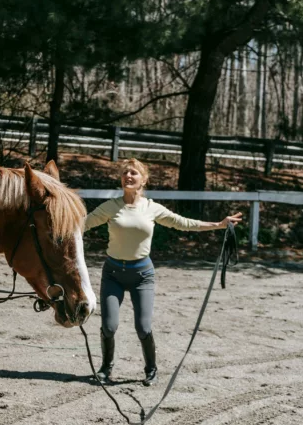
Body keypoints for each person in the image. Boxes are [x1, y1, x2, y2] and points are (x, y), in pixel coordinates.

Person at [83, 158, 242, 386]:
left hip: (142, 276)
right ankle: (105, 368)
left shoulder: (152, 208)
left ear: (143, 179)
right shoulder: (110, 206)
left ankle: (151, 369)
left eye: (134, 173)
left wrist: (218, 225)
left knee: (143, 327)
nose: (128, 176)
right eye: (125, 172)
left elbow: (183, 223)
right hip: (113, 274)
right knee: (109, 326)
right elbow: (83, 224)